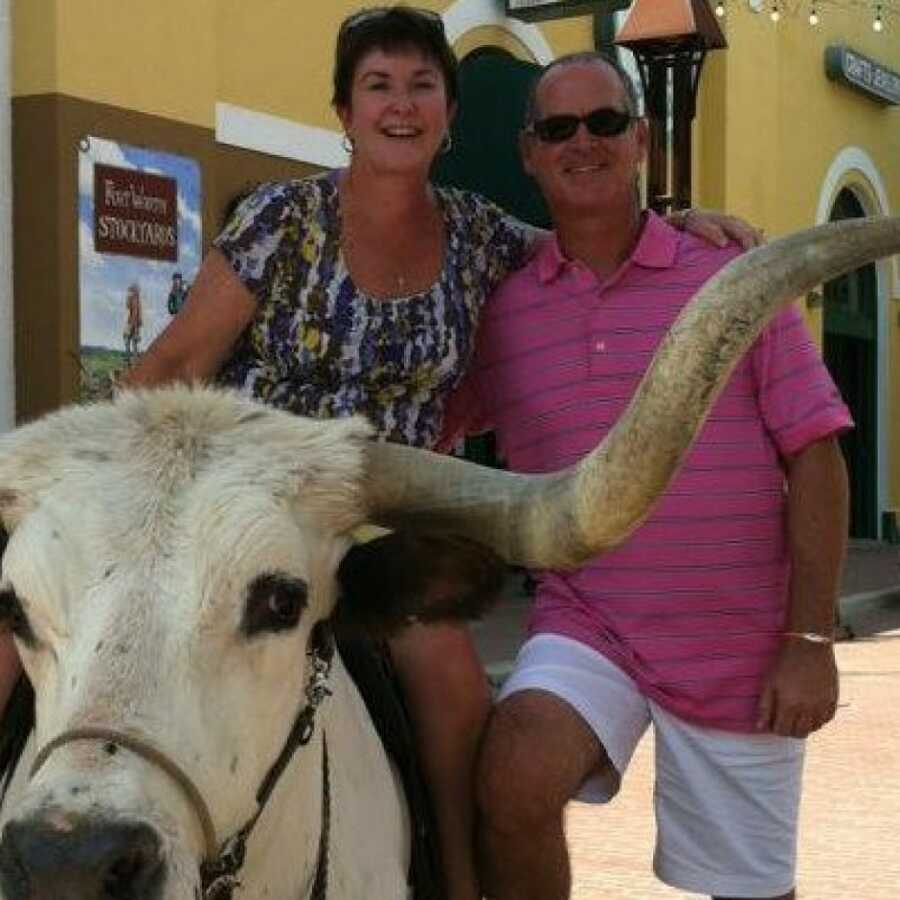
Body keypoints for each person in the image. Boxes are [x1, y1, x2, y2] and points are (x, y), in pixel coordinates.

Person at [0, 10, 759, 899]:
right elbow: (171, 366)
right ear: (345, 112)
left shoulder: (481, 236)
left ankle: (460, 882)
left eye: (421, 86)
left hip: (376, 504)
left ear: (448, 113)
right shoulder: (286, 218)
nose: (400, 105)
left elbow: (592, 248)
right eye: (378, 86)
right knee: (27, 626)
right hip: (240, 505)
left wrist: (680, 222)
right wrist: (112, 498)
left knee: (448, 683)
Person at [440, 52, 851, 900]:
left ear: (641, 141)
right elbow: (433, 420)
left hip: (737, 642)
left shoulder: (730, 282)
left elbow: (816, 454)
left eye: (604, 122)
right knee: (511, 778)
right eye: (558, 128)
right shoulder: (506, 312)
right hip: (588, 621)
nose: (582, 142)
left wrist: (808, 642)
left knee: (751, 891)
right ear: (527, 153)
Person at [122, 282, 143, 362]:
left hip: (133, 323)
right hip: (135, 323)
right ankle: (133, 357)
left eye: (131, 291)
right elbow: (128, 307)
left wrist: (131, 326)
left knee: (128, 339)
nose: (129, 292)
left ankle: (130, 357)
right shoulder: (135, 299)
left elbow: (134, 313)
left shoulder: (134, 299)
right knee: (133, 341)